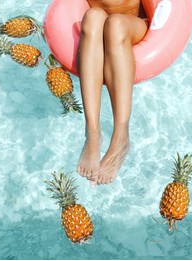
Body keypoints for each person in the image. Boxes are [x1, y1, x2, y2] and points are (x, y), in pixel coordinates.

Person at [76, 0, 149, 185]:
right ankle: (92, 132)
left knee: (115, 24)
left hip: (131, 24)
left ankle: (121, 136)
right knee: (93, 16)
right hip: (97, 24)